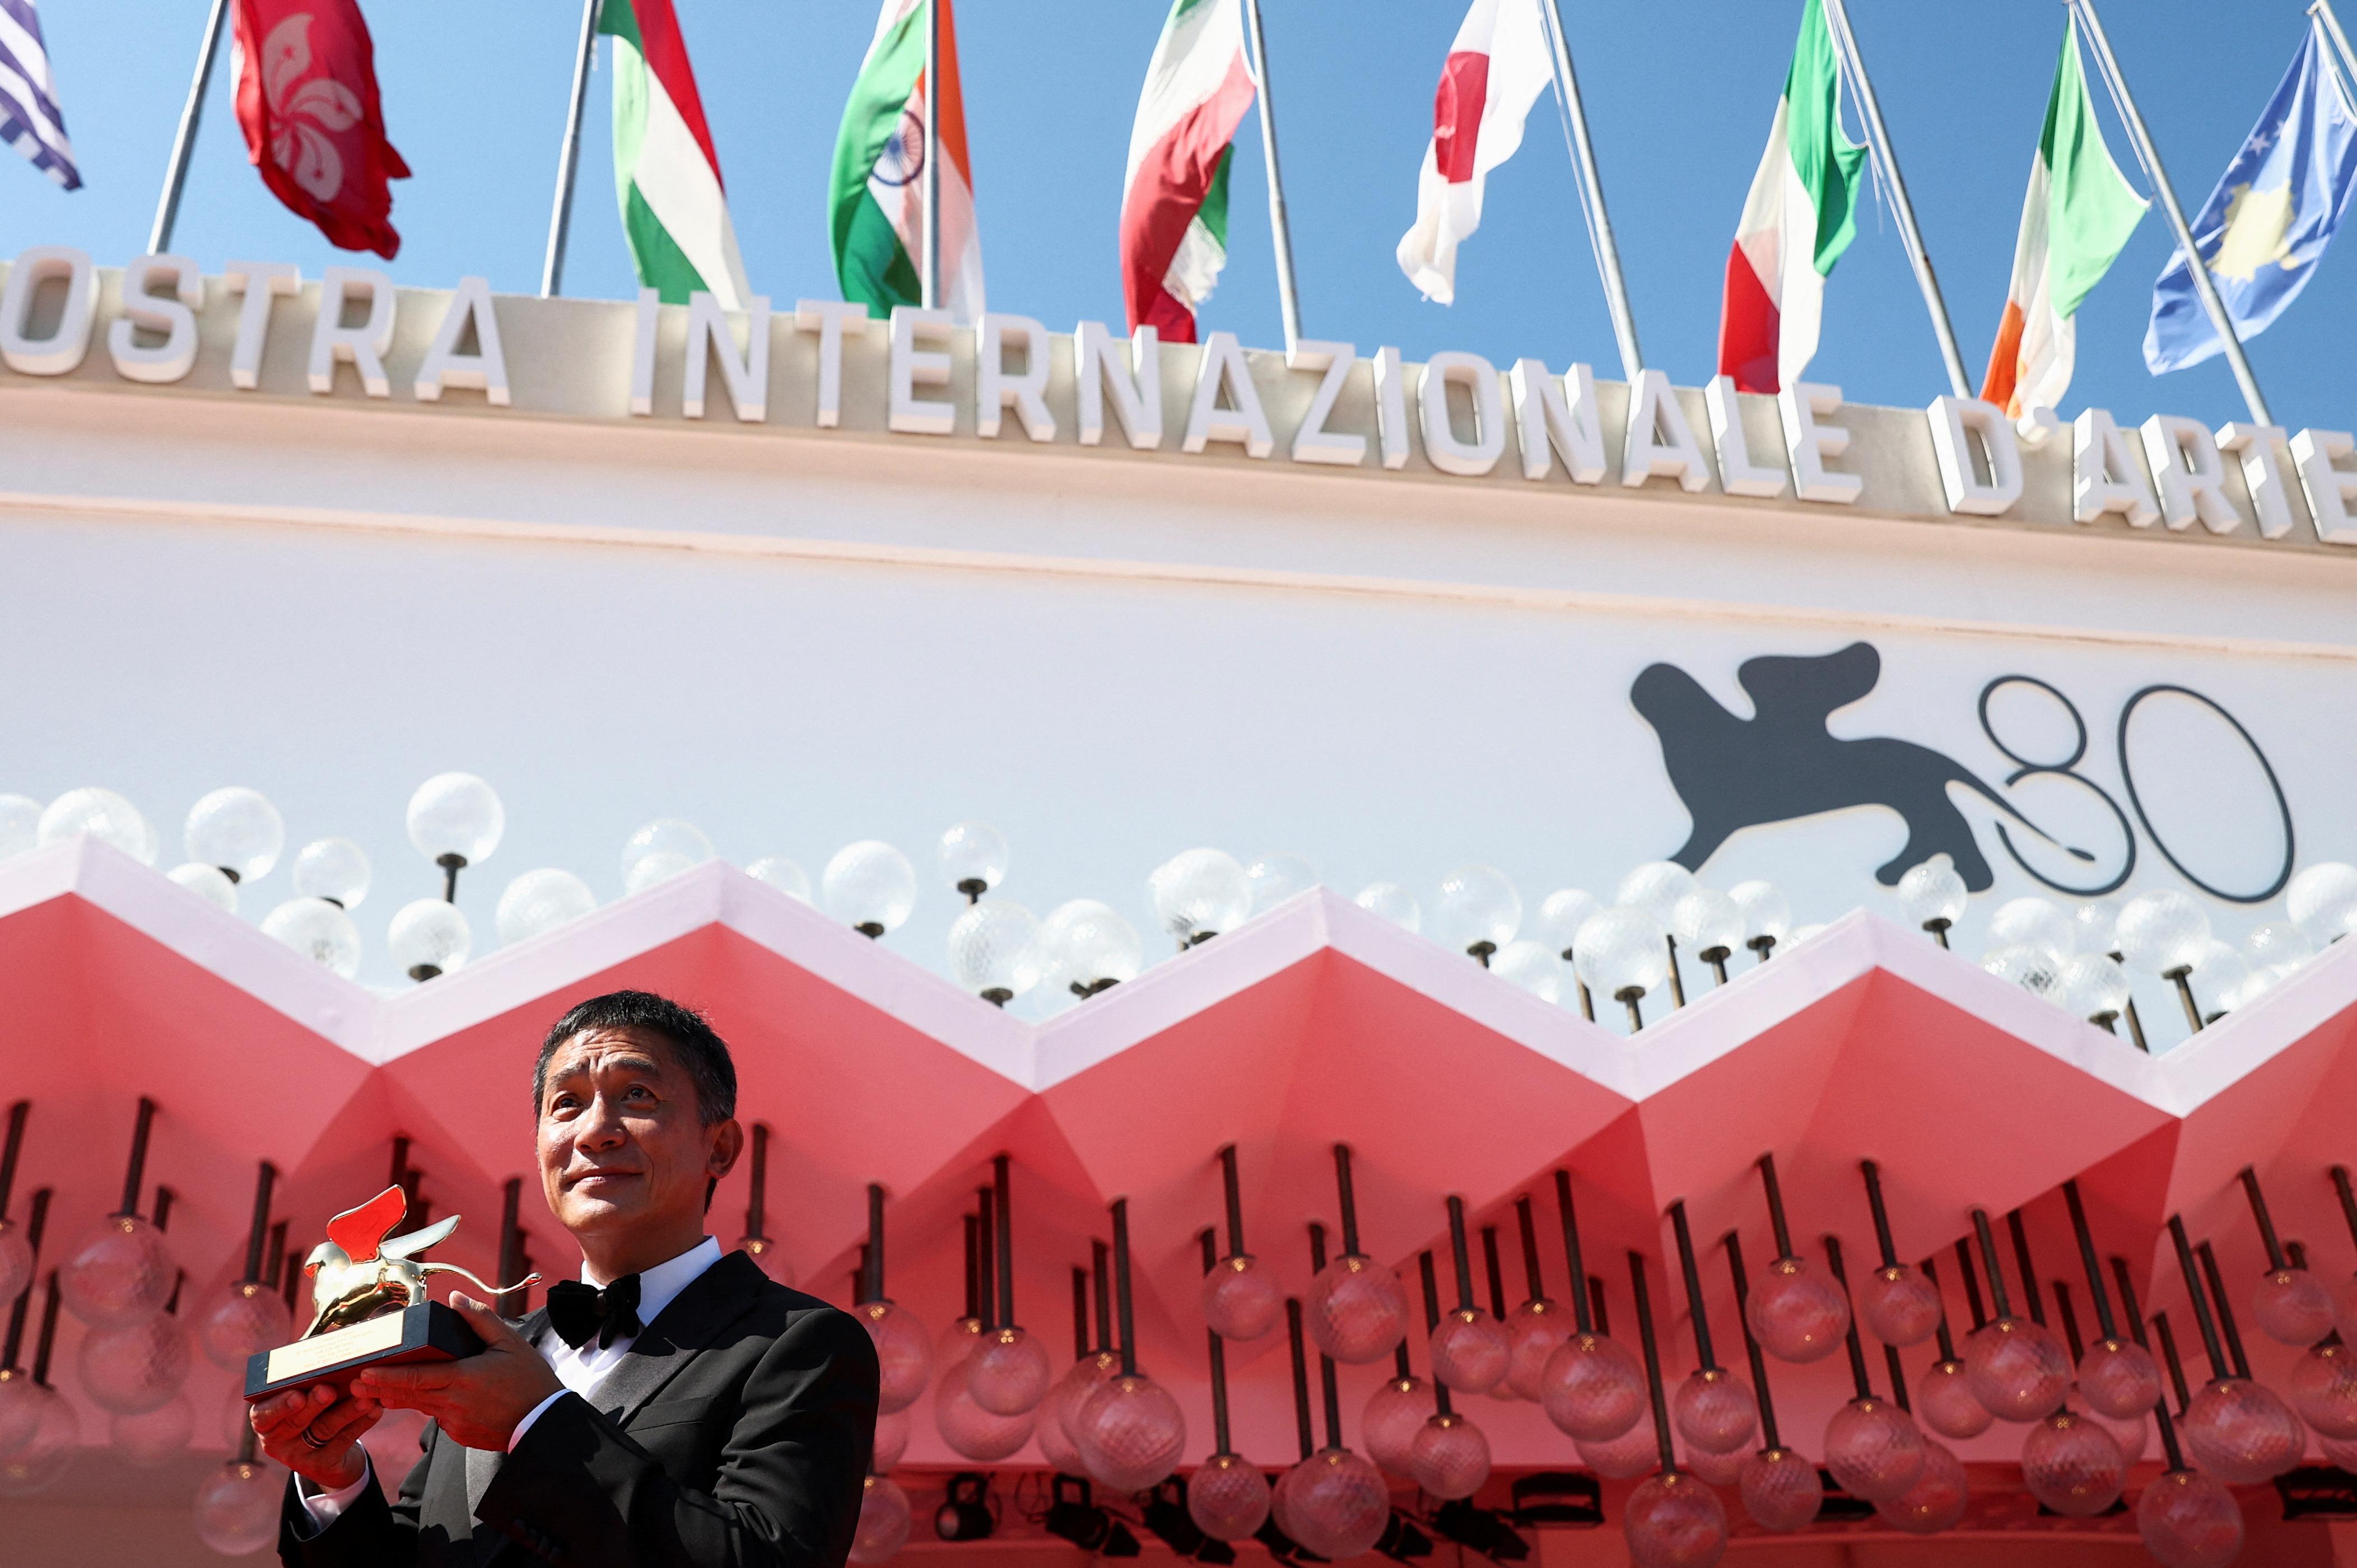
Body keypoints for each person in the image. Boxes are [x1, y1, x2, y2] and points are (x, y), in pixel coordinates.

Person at [253, 990, 879, 1567]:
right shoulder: (487, 1352)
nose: (595, 1131)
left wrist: (537, 1421)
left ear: (719, 1147)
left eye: (638, 1095)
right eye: (567, 1103)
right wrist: (336, 1482)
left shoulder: (801, 1344)